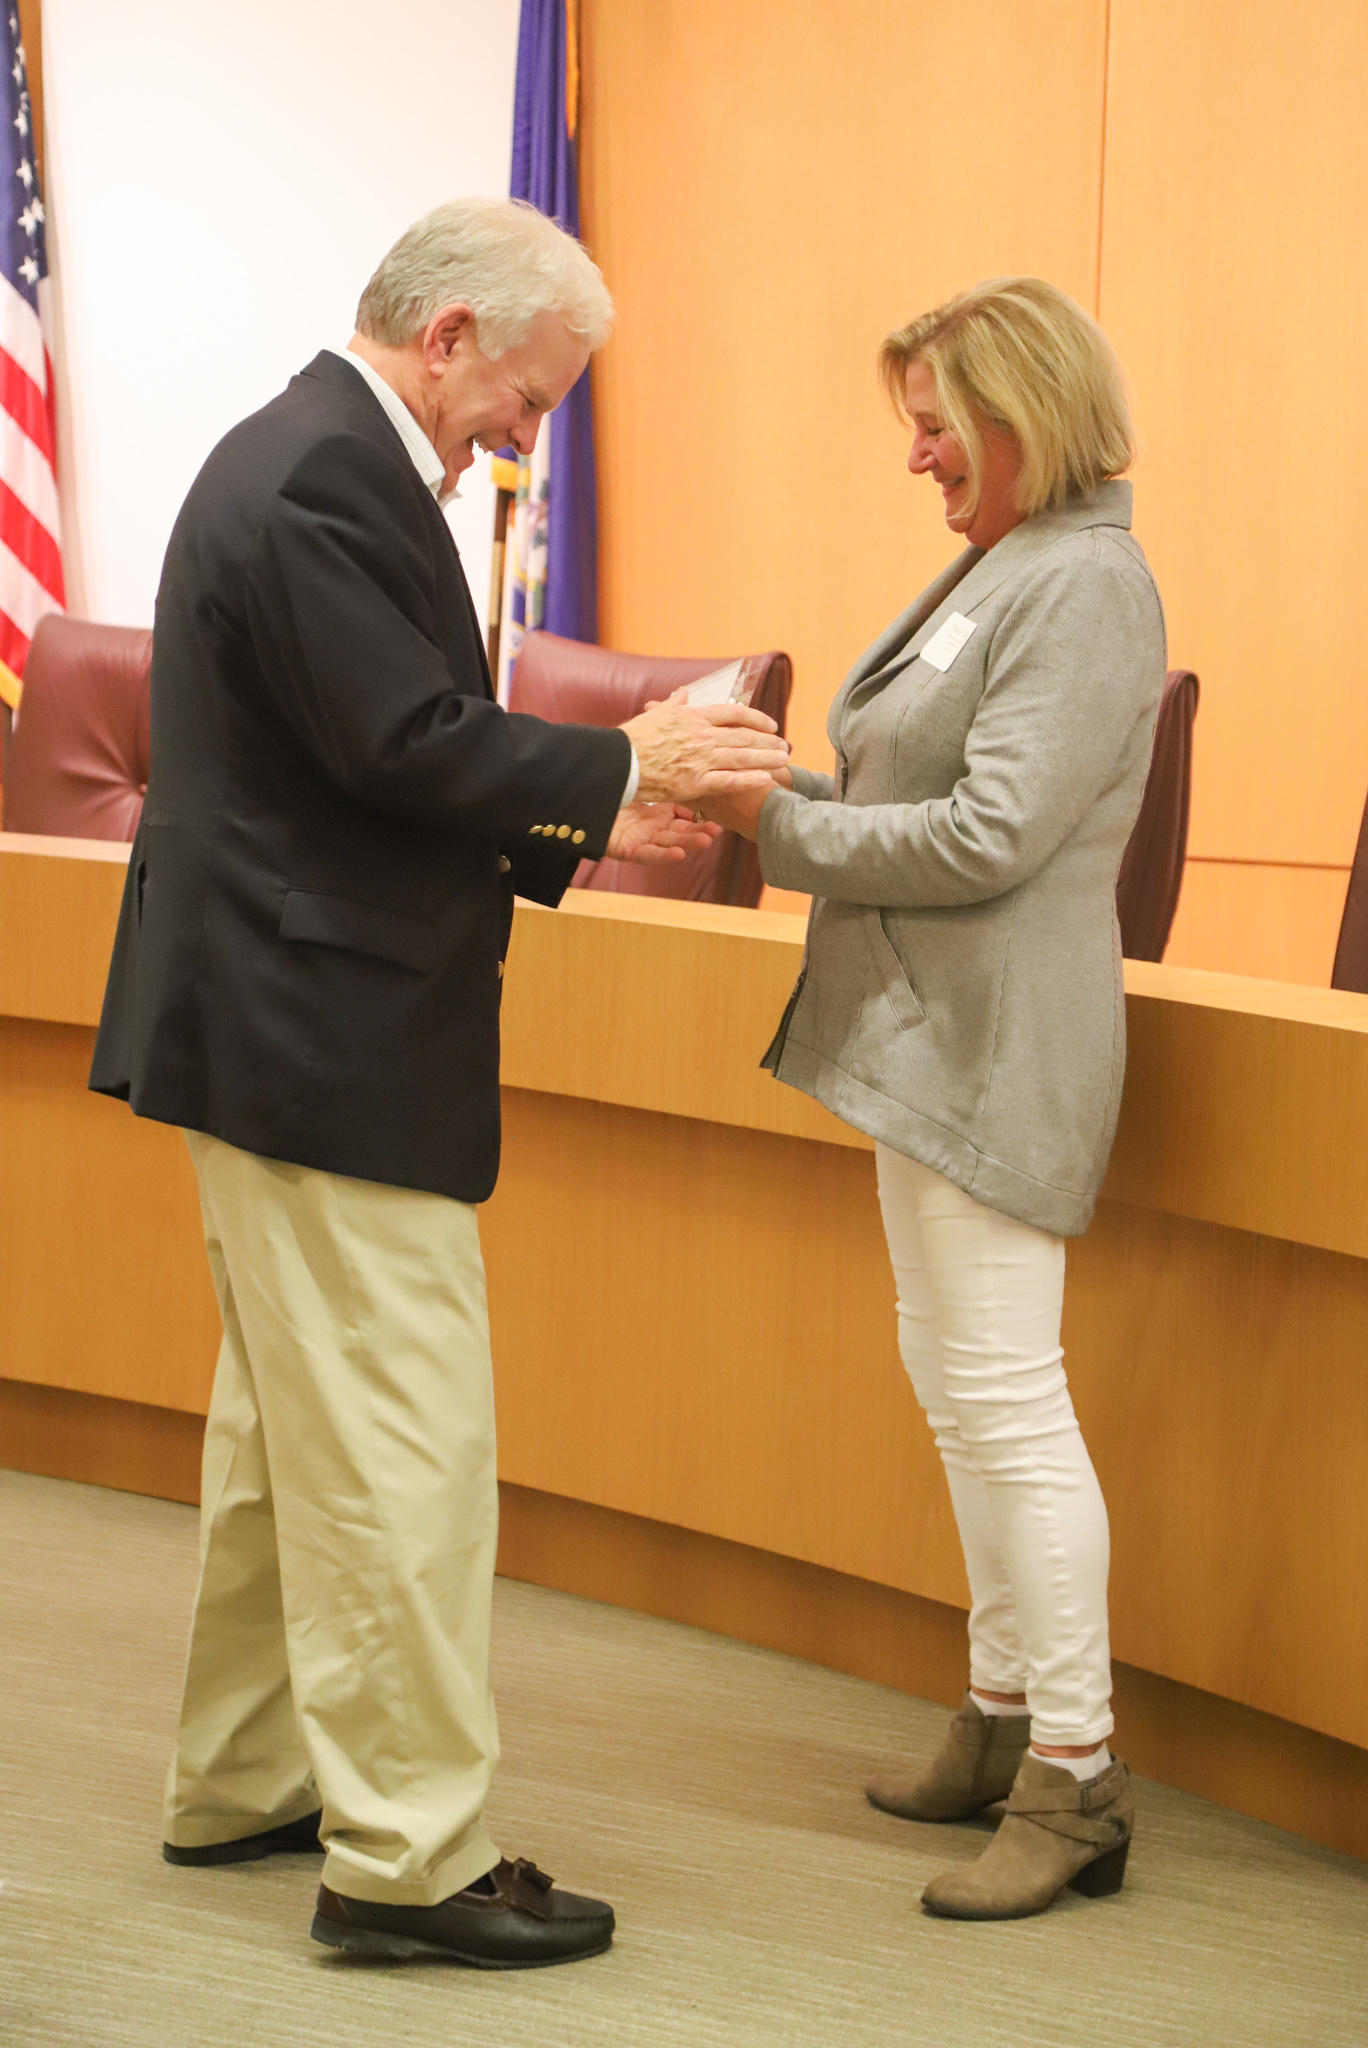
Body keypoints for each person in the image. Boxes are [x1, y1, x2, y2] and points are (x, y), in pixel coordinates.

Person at [88, 196, 790, 1969]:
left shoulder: (312, 454)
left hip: (278, 1025)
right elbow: (402, 741)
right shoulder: (326, 473)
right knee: (401, 1449)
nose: (524, 440)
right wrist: (625, 764)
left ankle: (245, 1777)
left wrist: (586, 806)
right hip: (317, 1040)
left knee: (290, 1443)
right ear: (449, 332)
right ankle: (405, 1863)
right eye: (528, 398)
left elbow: (356, 763)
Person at [705, 278, 1165, 1921]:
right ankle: (1001, 1713)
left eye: (936, 426)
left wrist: (773, 826)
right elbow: (914, 784)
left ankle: (1079, 1775)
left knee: (1010, 1405)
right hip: (928, 1044)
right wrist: (769, 783)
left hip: (996, 1049)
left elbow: (988, 838)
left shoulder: (1086, 585)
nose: (915, 458)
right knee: (960, 1391)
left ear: (1026, 414)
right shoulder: (1009, 562)